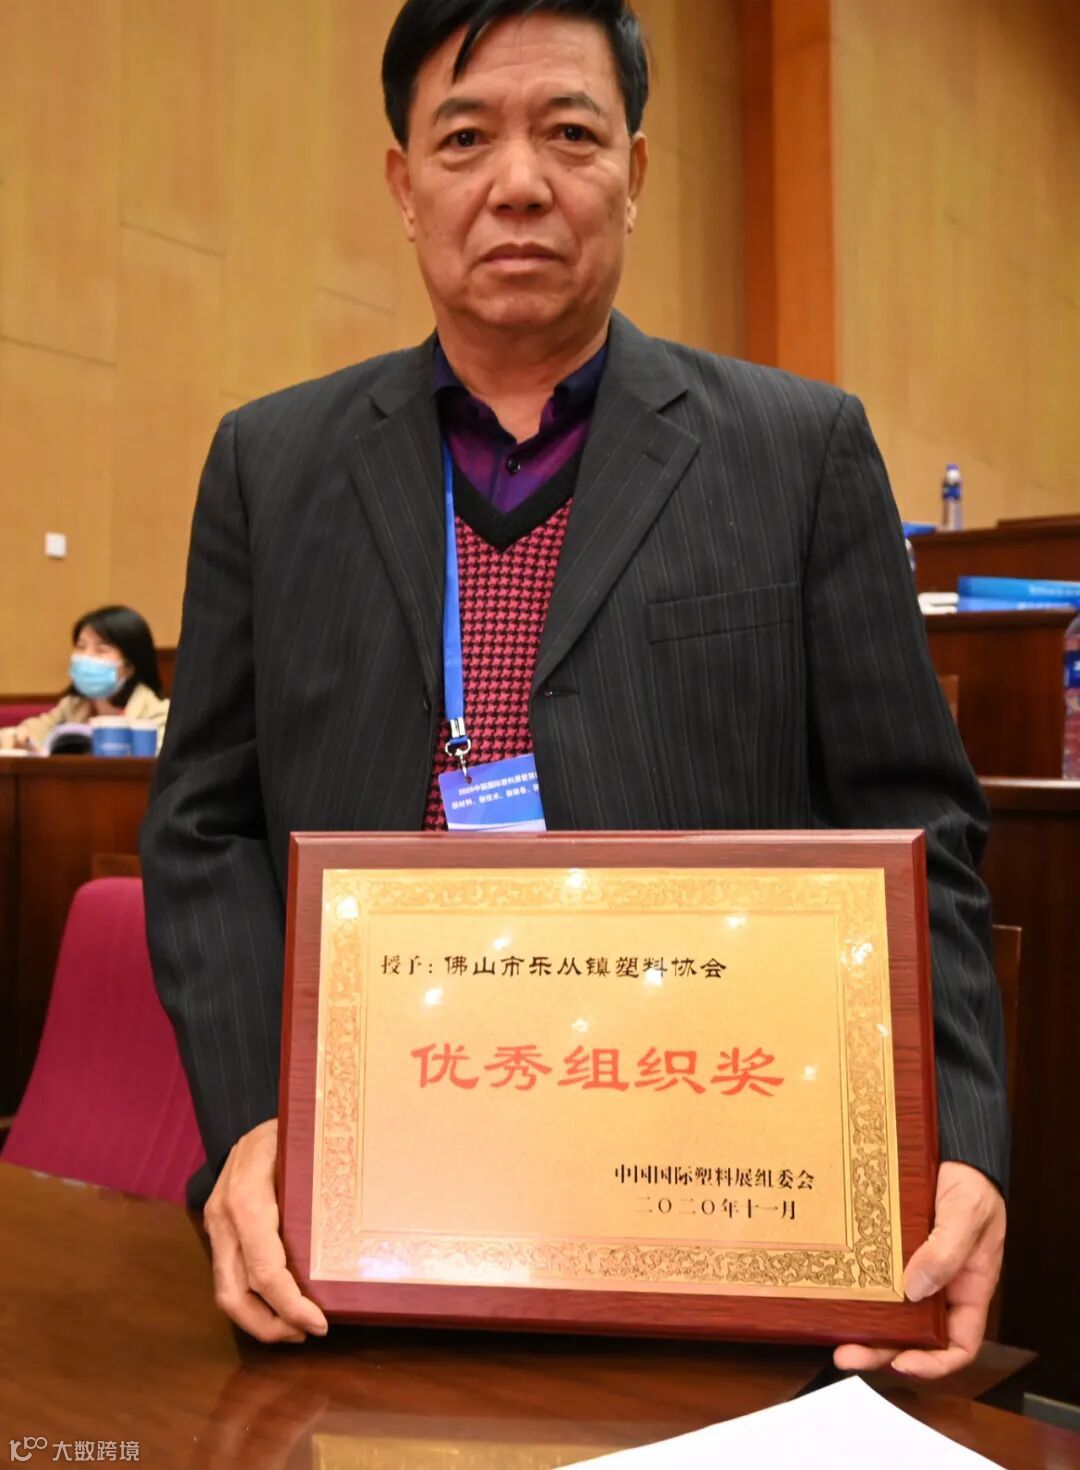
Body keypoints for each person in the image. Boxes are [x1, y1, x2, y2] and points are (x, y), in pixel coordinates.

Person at [141, 0, 1007, 1376]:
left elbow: (918, 822)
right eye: (464, 139)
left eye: (570, 133)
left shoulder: (798, 452)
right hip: (368, 1227)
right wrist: (256, 1122)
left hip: (716, 1211)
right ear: (403, 184)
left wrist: (957, 1140)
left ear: (636, 171)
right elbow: (202, 825)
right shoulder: (272, 463)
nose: (519, 182)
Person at [0, 604, 169, 752]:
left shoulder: (159, 713)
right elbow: (30, 732)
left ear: (130, 666)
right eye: (81, 647)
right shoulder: (73, 706)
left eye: (101, 651)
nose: (86, 657)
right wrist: (21, 737)